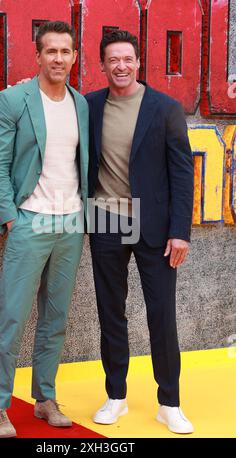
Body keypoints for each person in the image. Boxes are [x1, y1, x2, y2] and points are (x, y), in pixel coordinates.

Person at [0, 21, 89, 438]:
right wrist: (12, 219)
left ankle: (44, 398)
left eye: (66, 51)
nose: (59, 58)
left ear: (74, 57)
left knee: (56, 317)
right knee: (13, 317)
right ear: (38, 56)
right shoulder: (13, 100)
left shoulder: (80, 104)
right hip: (29, 222)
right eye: (51, 51)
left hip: (70, 223)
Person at [85, 30, 194, 434]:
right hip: (106, 219)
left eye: (128, 58)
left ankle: (170, 402)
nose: (121, 66)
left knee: (161, 314)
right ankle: (116, 396)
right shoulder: (90, 105)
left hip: (156, 224)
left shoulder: (165, 107)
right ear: (102, 64)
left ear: (137, 62)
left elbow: (183, 173)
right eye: (113, 59)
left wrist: (180, 231)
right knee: (110, 313)